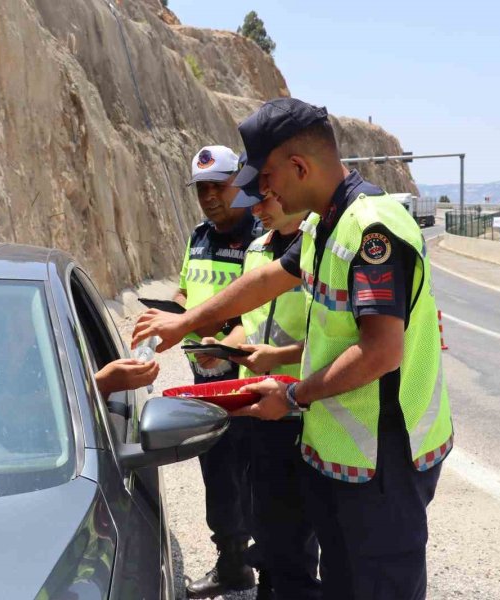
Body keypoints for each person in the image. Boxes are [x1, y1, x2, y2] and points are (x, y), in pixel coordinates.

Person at [132, 98, 453, 600]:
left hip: (385, 460)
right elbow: (267, 281)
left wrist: (294, 396)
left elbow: (380, 353)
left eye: (266, 178)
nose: (261, 192)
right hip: (342, 454)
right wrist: (187, 323)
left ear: (299, 167)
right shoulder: (322, 225)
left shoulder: (371, 228)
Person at [225, 179, 322, 600]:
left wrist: (278, 355)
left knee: (295, 536)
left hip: (302, 409)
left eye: (261, 200)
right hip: (258, 404)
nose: (255, 211)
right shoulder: (257, 249)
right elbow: (250, 316)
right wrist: (226, 346)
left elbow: (339, 340)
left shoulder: (320, 248)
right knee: (263, 520)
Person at [176, 145, 263, 598]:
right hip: (205, 384)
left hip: (251, 386)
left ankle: (277, 573)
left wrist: (224, 350)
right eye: (201, 189)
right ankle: (232, 566)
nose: (208, 196)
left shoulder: (263, 238)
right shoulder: (198, 236)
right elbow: (186, 293)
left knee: (260, 480)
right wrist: (170, 323)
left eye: (218, 186)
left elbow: (263, 310)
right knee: (218, 474)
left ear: (240, 184)